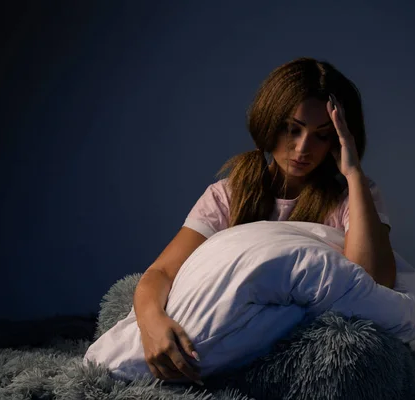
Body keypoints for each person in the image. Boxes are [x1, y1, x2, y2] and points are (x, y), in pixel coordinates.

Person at [132, 57, 397, 385]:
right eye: (292, 129)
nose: (302, 149)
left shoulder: (355, 194)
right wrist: (151, 321)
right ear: (271, 122)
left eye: (322, 136)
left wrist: (353, 173)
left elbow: (371, 285)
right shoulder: (229, 194)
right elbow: (161, 272)